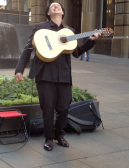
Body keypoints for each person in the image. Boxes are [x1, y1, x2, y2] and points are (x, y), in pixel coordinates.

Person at [14, 2, 101, 151]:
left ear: (62, 12)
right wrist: (19, 69)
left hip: (64, 75)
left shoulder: (69, 31)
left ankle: (60, 136)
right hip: (45, 74)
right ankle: (48, 138)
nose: (56, 6)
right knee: (47, 108)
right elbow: (28, 49)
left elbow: (76, 52)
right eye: (52, 5)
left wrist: (91, 41)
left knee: (64, 108)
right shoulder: (40, 28)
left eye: (58, 5)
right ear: (48, 13)